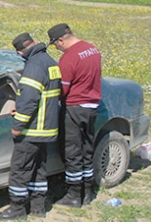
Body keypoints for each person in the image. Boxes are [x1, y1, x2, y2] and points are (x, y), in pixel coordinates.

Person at [0, 33, 61, 221]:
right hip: (47, 129)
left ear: (19, 51)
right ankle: (38, 208)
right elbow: (45, 96)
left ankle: (17, 209)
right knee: (39, 169)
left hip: (31, 130)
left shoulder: (33, 67)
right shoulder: (50, 62)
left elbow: (30, 99)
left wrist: (18, 126)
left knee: (20, 170)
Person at [47, 23, 102, 208]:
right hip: (91, 107)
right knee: (87, 148)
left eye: (56, 45)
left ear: (61, 40)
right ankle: (88, 191)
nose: (57, 49)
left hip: (74, 108)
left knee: (72, 152)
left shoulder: (69, 58)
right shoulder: (92, 49)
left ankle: (73, 194)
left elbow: (63, 89)